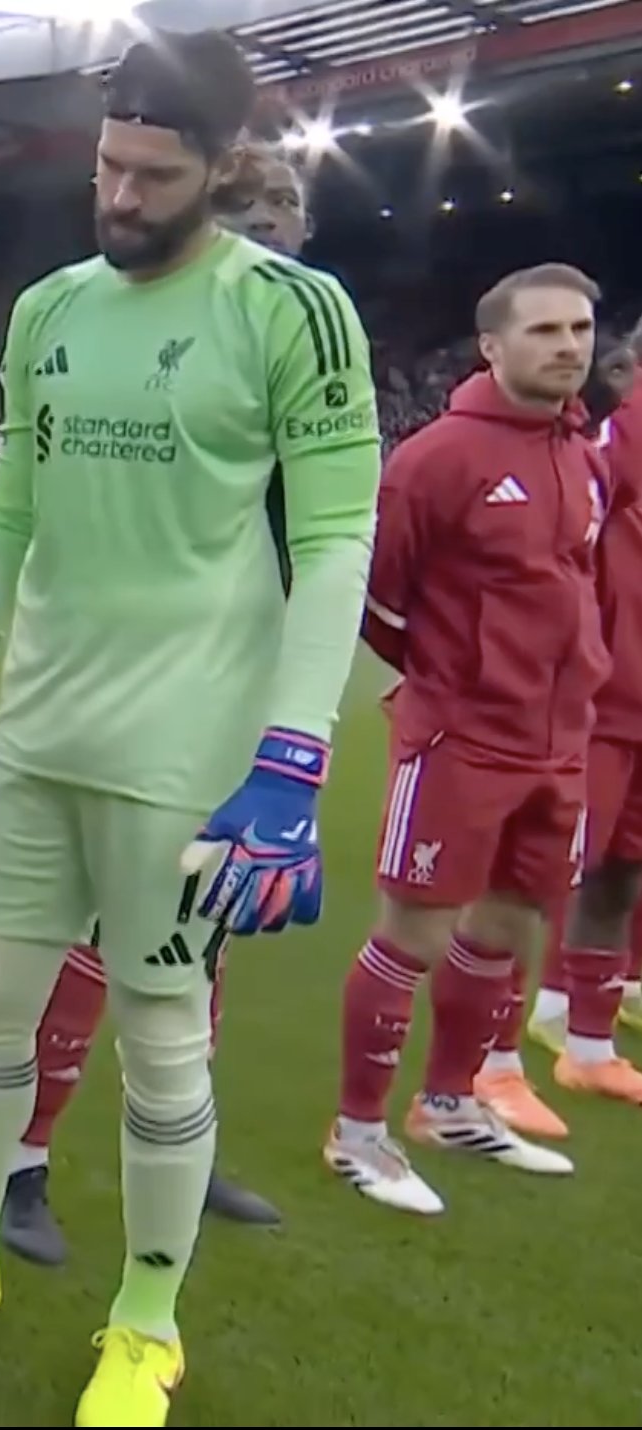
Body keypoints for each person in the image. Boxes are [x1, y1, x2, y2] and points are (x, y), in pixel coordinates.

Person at [0, 31, 379, 1427]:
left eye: (151, 175)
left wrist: (294, 754)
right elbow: (10, 509)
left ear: (216, 169)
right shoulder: (50, 307)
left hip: (187, 755)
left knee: (163, 1036)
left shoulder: (292, 311)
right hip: (42, 733)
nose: (118, 195)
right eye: (106, 165)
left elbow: (341, 532)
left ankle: (146, 1321)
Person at [0, 140, 310, 1267]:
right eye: (250, 201)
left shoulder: (291, 349)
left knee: (197, 936)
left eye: (286, 204)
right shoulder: (135, 338)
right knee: (90, 937)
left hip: (232, 694)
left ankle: (182, 1135)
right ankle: (16, 1164)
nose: (271, 218)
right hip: (112, 696)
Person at [329, 264, 607, 1214]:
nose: (567, 345)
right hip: (461, 737)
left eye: (579, 328)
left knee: (510, 920)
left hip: (559, 738)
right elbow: (379, 602)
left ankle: (447, 1105)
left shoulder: (583, 452)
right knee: (414, 930)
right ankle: (356, 1131)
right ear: (491, 347)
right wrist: (445, 681)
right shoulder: (436, 458)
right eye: (543, 331)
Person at [477, 327, 642, 1131]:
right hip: (601, 706)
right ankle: (494, 1059)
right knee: (541, 880)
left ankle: (586, 1044)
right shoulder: (614, 439)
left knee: (619, 875)